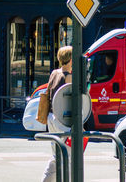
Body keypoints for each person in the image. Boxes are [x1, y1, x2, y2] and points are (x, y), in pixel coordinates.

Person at [42, 46, 72, 182]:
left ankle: (46, 180)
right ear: (70, 59)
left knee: (56, 155)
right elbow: (74, 100)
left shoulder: (54, 73)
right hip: (62, 120)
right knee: (69, 156)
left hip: (51, 118)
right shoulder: (69, 77)